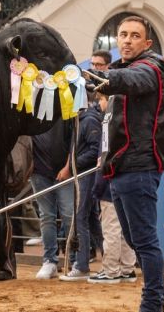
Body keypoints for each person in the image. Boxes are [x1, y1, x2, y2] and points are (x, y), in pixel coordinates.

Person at [88, 16, 164, 312]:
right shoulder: (122, 71)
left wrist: (104, 79)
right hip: (121, 167)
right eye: (122, 35)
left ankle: (151, 303)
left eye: (134, 36)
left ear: (147, 43)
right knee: (136, 239)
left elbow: (132, 81)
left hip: (139, 166)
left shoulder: (149, 69)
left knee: (145, 241)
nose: (126, 40)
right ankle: (162, 301)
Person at [89, 92, 137, 285]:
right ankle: (127, 268)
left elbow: (104, 158)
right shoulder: (128, 121)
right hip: (124, 181)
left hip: (111, 183)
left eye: (100, 99)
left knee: (111, 229)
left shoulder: (109, 123)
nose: (99, 103)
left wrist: (97, 188)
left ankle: (111, 270)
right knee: (125, 229)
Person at [59, 93, 101, 281]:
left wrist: (73, 166)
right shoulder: (80, 120)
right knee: (90, 218)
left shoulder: (89, 120)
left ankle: (82, 265)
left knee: (81, 217)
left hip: (87, 175)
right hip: (82, 175)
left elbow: (94, 151)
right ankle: (109, 259)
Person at [30, 119, 74, 280]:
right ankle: (49, 260)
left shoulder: (63, 108)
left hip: (64, 172)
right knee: (46, 216)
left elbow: (73, 142)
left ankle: (74, 259)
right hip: (39, 173)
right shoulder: (30, 109)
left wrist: (68, 167)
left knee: (69, 215)